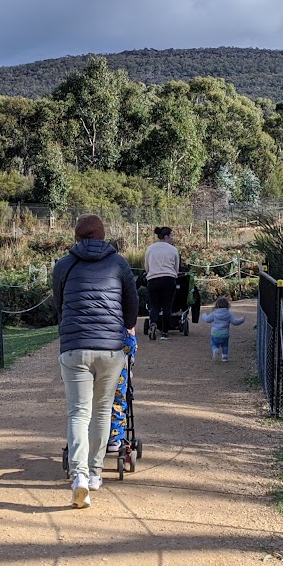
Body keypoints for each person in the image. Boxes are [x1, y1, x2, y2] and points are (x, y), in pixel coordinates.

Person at [53, 214, 137, 509]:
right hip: (110, 348)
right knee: (102, 411)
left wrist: (68, 331)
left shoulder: (64, 265)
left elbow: (59, 304)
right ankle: (95, 473)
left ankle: (78, 477)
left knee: (78, 413)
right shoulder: (119, 263)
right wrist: (126, 326)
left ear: (77, 237)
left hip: (75, 347)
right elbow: (132, 303)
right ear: (103, 236)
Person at [142, 226, 180, 337]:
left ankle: (153, 323)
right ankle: (164, 332)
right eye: (171, 235)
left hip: (153, 280)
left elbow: (146, 267)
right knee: (167, 306)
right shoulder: (173, 250)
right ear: (166, 236)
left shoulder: (150, 249)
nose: (172, 238)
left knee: (154, 306)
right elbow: (176, 269)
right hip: (168, 279)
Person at [106, 328, 137, 454]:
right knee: (118, 402)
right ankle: (114, 437)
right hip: (118, 370)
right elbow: (130, 345)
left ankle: (88, 438)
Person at [205, 297, 245, 362]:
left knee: (214, 344)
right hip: (225, 334)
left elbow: (207, 320)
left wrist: (204, 315)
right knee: (225, 346)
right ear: (227, 305)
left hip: (215, 333)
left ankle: (215, 350)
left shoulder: (214, 313)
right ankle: (224, 358)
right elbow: (235, 322)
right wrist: (242, 319)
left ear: (217, 305)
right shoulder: (229, 314)